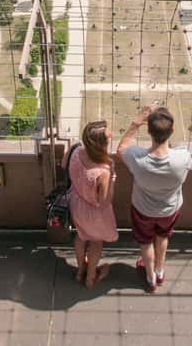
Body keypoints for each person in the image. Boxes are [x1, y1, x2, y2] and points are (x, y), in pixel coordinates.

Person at [116, 105, 192, 293]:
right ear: (172, 131)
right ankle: (160, 271)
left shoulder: (137, 158)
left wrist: (135, 124)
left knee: (145, 242)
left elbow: (121, 149)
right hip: (169, 208)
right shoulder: (183, 157)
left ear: (149, 131)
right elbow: (187, 165)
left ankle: (150, 277)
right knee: (162, 236)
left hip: (143, 209)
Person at [70, 120, 118, 288]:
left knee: (81, 236)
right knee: (96, 241)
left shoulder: (75, 151)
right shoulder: (103, 171)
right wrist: (112, 176)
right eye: (108, 135)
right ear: (100, 145)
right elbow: (104, 202)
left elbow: (64, 166)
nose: (111, 135)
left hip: (76, 204)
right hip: (94, 213)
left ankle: (80, 271)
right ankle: (91, 277)